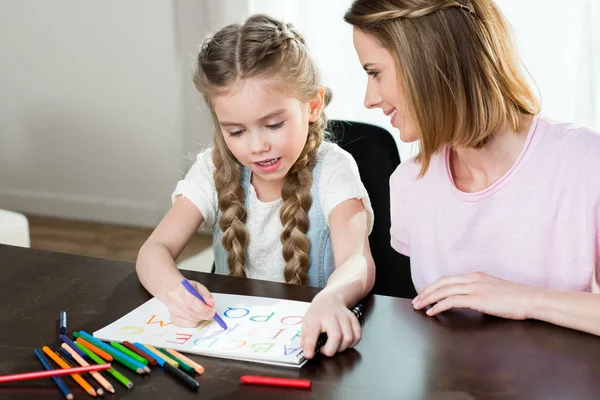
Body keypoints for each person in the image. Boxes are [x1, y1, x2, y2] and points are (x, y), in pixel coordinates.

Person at [345, 0, 600, 335]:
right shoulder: (410, 183)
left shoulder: (584, 164)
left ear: (428, 59)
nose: (369, 99)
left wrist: (524, 300)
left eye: (375, 73)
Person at [136, 14, 375, 359]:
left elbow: (356, 261)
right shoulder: (213, 168)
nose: (257, 146)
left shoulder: (334, 169)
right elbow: (153, 251)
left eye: (273, 124)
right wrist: (175, 292)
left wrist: (332, 298)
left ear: (312, 105)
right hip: (231, 345)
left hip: (312, 350)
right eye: (236, 131)